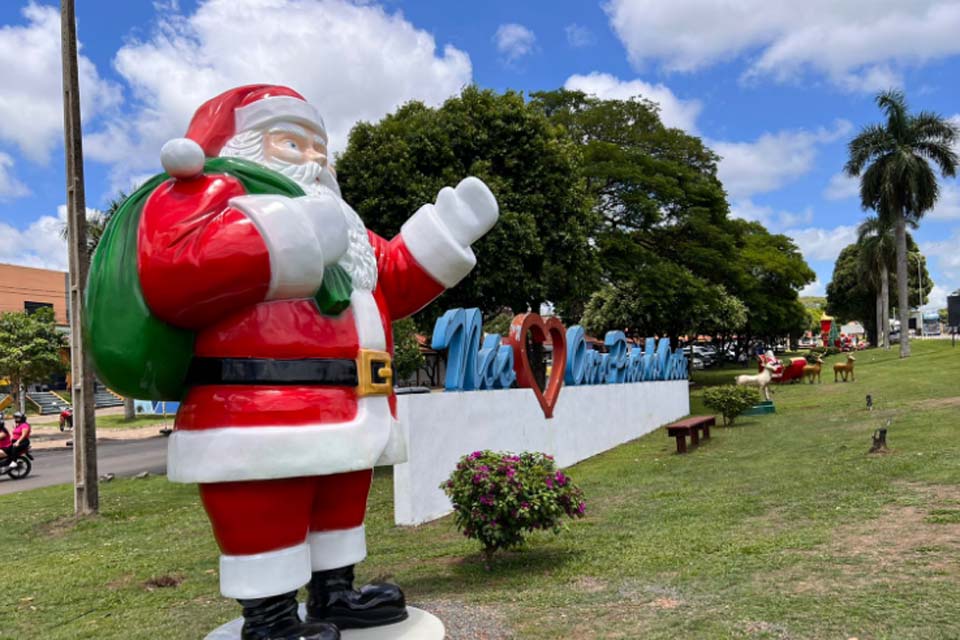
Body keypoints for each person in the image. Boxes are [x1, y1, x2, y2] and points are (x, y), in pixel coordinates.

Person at [135, 85, 499, 640]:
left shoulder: (347, 225)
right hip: (256, 404)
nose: (313, 160)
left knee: (340, 503)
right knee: (265, 508)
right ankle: (271, 617)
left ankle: (336, 592)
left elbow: (392, 277)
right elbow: (174, 274)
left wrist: (446, 234)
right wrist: (287, 235)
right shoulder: (204, 198)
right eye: (291, 143)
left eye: (320, 149)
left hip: (353, 403)